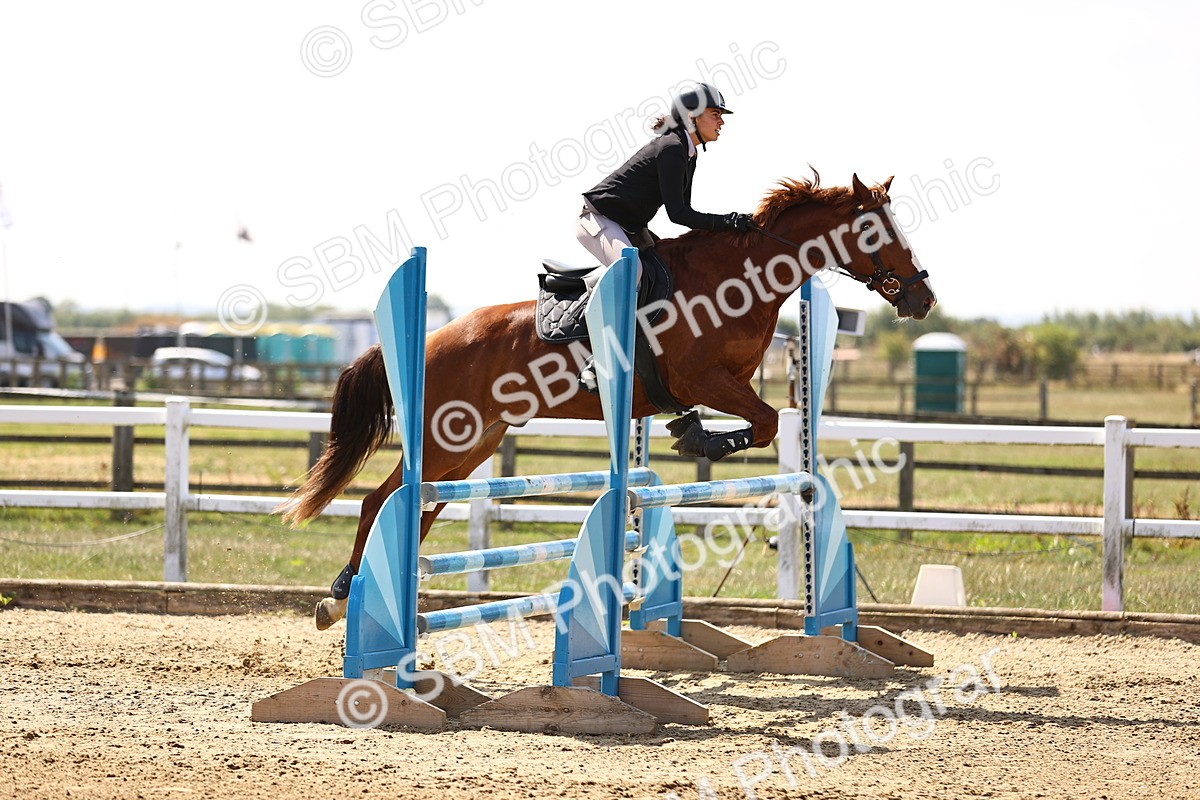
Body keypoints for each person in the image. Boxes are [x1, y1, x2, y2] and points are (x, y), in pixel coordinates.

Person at [576, 82, 754, 275]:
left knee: (667, 269)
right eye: (715, 115)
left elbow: (686, 211)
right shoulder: (672, 148)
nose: (722, 122)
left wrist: (729, 224)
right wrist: (727, 221)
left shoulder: (688, 153)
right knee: (632, 274)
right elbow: (677, 214)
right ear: (691, 116)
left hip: (629, 226)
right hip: (598, 218)